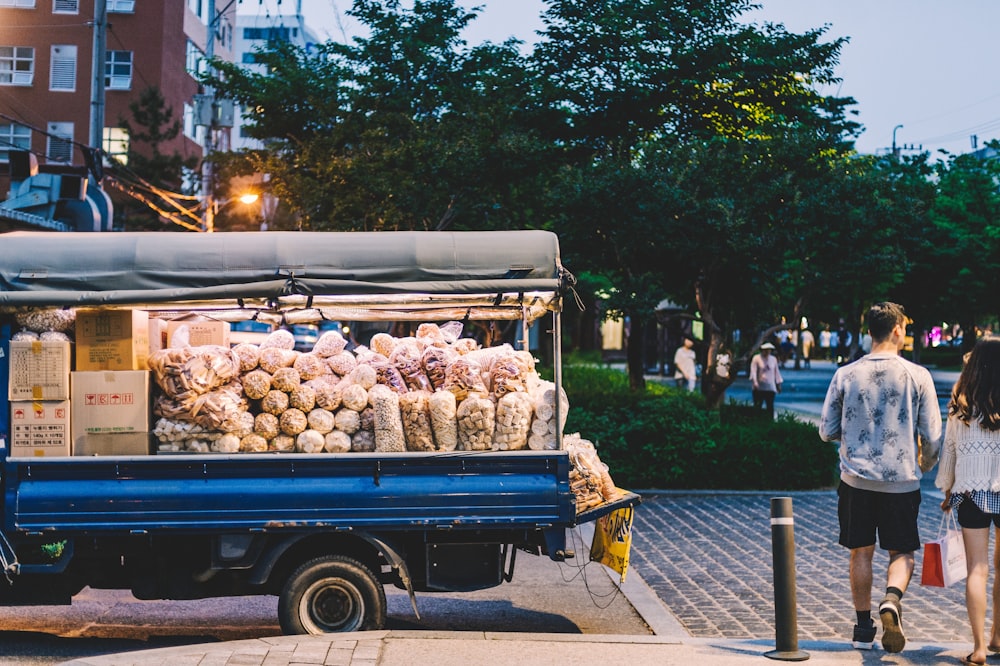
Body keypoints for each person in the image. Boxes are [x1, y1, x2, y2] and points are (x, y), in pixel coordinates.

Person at [818, 302, 943, 654]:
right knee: (901, 550)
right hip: (901, 480)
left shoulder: (845, 374)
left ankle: (861, 628)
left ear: (869, 330)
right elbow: (933, 435)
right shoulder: (918, 375)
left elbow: (826, 430)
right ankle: (891, 600)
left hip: (856, 480)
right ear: (898, 329)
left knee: (861, 553)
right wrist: (924, 464)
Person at [935, 337, 1000, 666]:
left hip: (972, 492)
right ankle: (999, 636)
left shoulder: (960, 403)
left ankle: (978, 650)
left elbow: (950, 450)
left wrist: (947, 489)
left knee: (978, 569)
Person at [749, 342, 782, 418]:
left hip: (770, 387)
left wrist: (778, 384)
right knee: (758, 406)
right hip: (759, 387)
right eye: (765, 350)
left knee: (770, 406)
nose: (767, 352)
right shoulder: (756, 358)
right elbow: (753, 371)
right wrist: (755, 382)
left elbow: (776, 372)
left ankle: (769, 421)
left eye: (769, 350)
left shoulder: (773, 359)